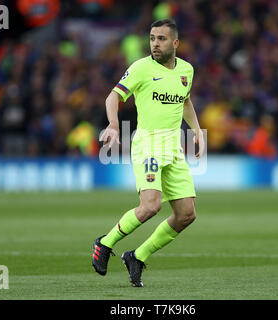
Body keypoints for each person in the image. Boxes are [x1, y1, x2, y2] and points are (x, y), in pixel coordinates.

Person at [91, 19, 204, 287]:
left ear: (175, 43)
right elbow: (113, 97)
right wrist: (114, 124)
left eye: (162, 39)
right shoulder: (141, 68)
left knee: (187, 213)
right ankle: (105, 243)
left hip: (173, 147)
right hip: (148, 144)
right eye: (152, 38)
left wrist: (197, 130)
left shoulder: (186, 70)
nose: (155, 43)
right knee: (151, 205)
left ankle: (138, 257)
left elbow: (185, 100)